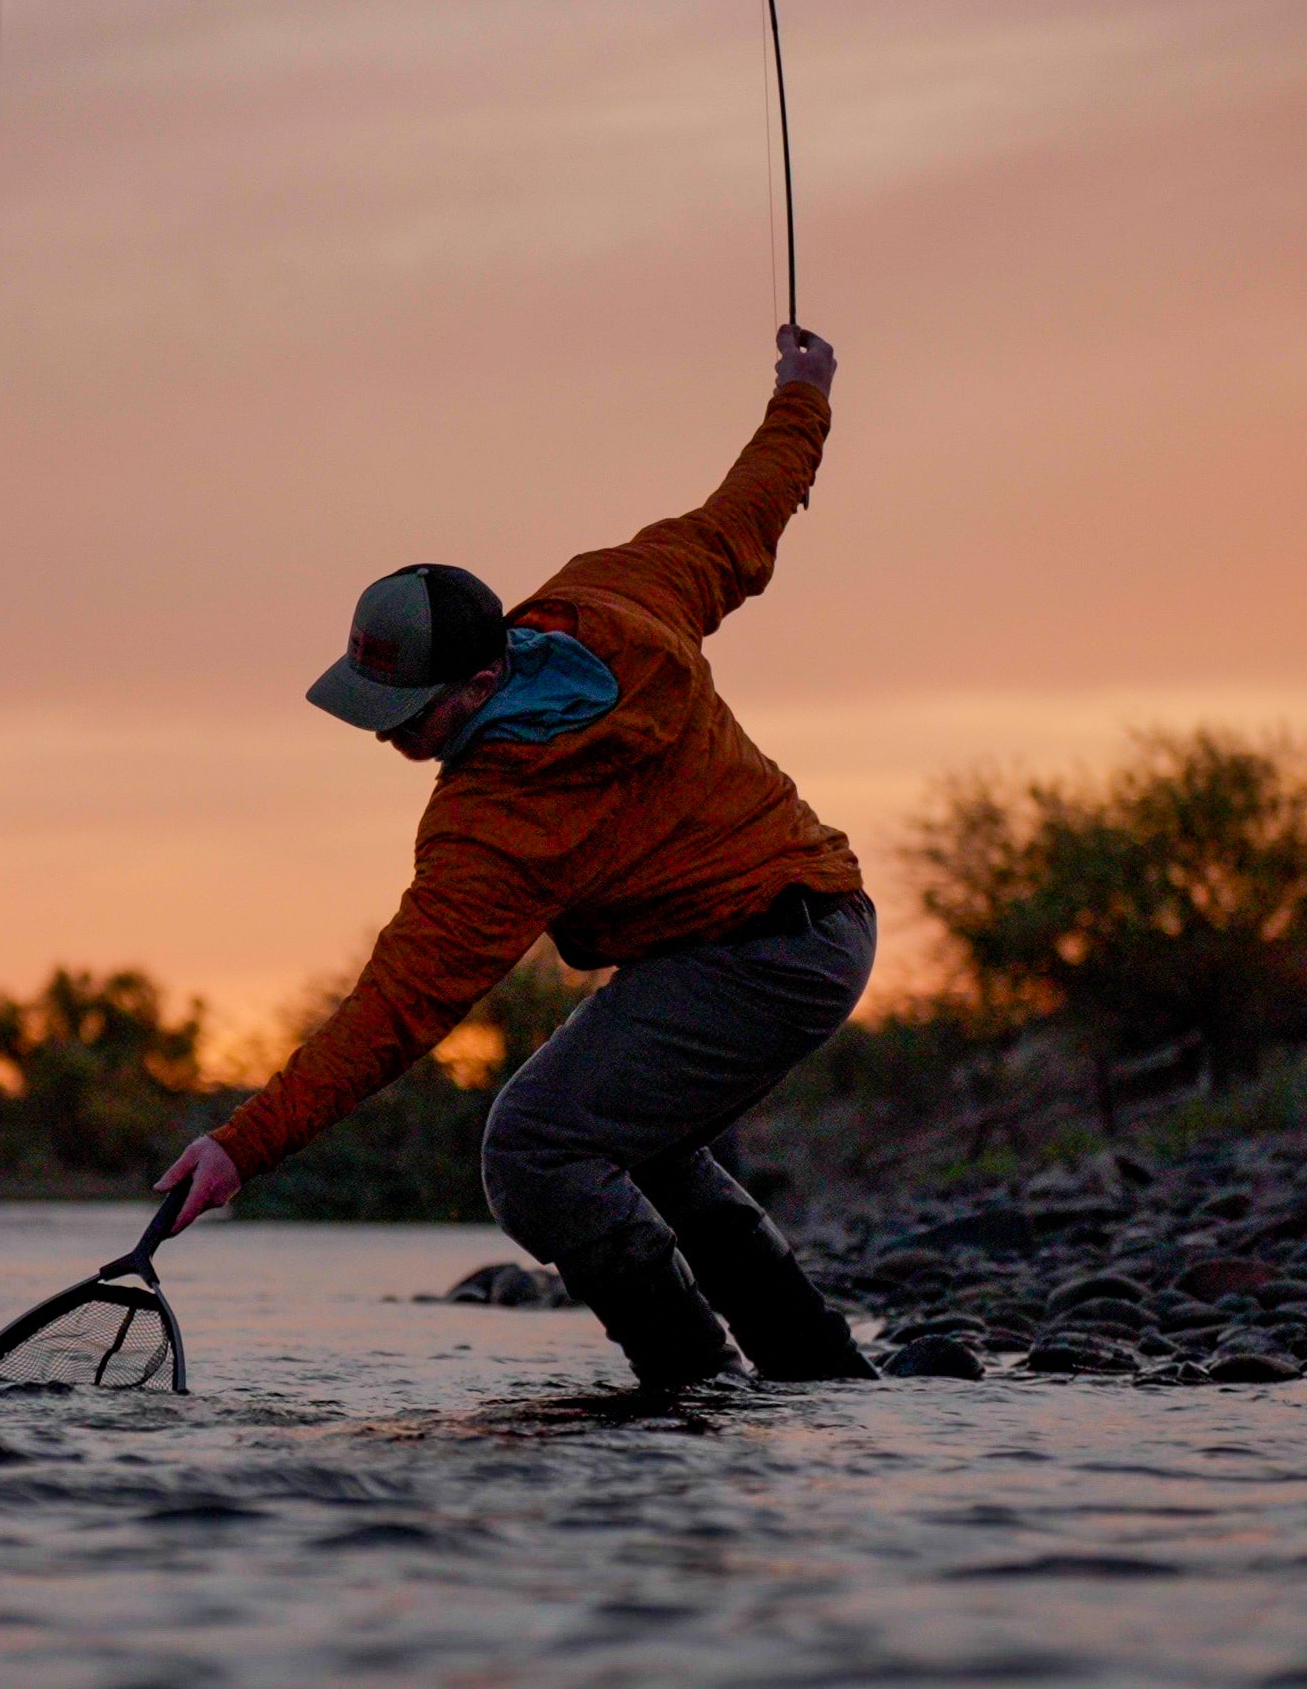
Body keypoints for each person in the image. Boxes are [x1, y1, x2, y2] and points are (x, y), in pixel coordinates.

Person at [151, 323, 878, 1389]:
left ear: (482, 681)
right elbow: (748, 511)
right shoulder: (616, 595)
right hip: (810, 922)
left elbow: (395, 1012)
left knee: (535, 1146)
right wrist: (803, 393)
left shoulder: (495, 821)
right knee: (637, 1133)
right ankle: (814, 1374)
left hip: (769, 952)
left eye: (407, 714)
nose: (391, 736)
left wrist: (241, 1145)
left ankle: (692, 1386)